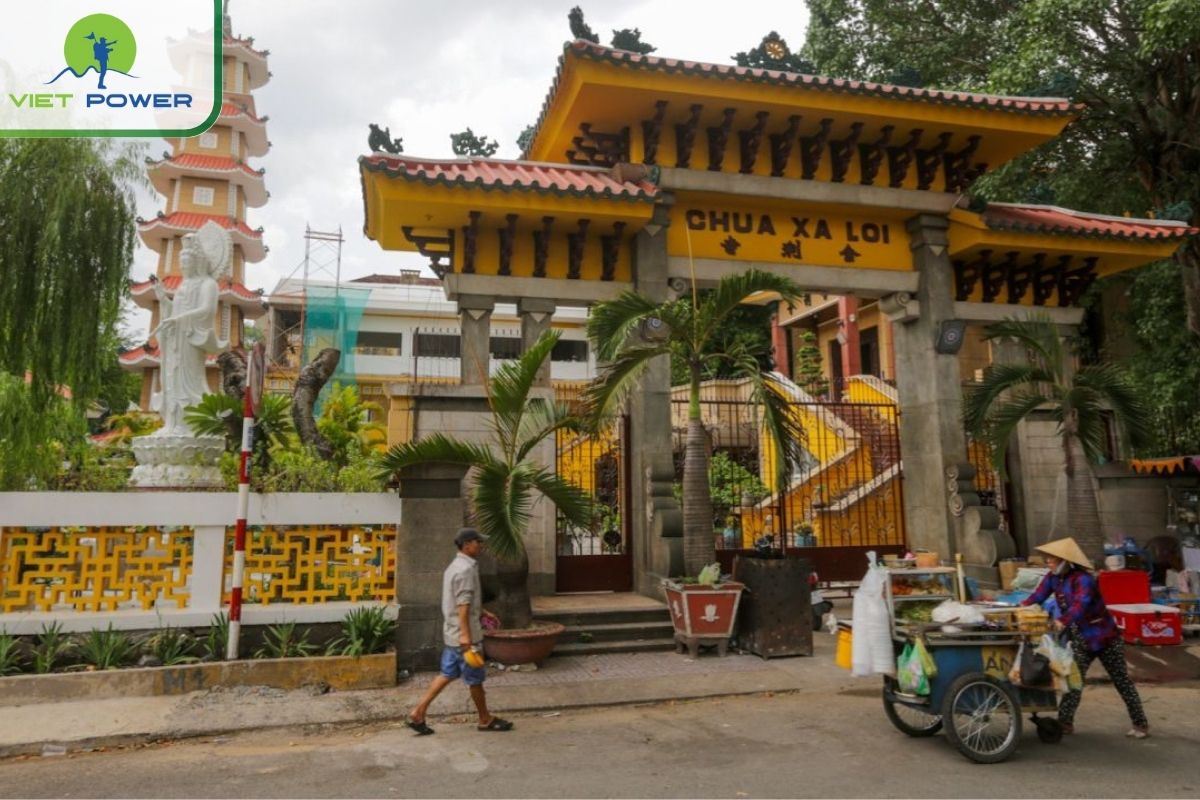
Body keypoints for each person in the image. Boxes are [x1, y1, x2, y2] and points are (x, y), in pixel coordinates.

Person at [1021, 536, 1149, 738]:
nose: (1048, 562)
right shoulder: (1053, 578)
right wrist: (1019, 608)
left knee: (1121, 680)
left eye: (1052, 560)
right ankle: (1065, 723)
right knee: (1074, 679)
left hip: (1105, 637)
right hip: (1082, 637)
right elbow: (1037, 596)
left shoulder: (1083, 579)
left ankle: (1140, 723)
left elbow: (1080, 605)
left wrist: (1063, 620)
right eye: (1048, 559)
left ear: (1064, 561)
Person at [406, 528, 512, 735]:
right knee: (476, 680)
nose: (481, 545)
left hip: (453, 634)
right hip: (466, 637)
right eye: (478, 542)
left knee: (447, 674)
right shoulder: (465, 570)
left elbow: (463, 600)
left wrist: (482, 611)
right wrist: (466, 637)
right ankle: (485, 719)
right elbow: (462, 606)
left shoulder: (455, 567)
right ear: (467, 545)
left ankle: (418, 713)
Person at [149, 223, 228, 435]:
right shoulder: (183, 285)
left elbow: (207, 310)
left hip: (192, 337)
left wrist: (181, 318)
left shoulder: (208, 284)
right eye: (181, 262)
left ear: (198, 262)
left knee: (190, 379)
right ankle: (173, 424)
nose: (184, 266)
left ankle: (194, 423)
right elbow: (174, 311)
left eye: (188, 261)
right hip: (176, 339)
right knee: (172, 376)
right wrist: (163, 299)